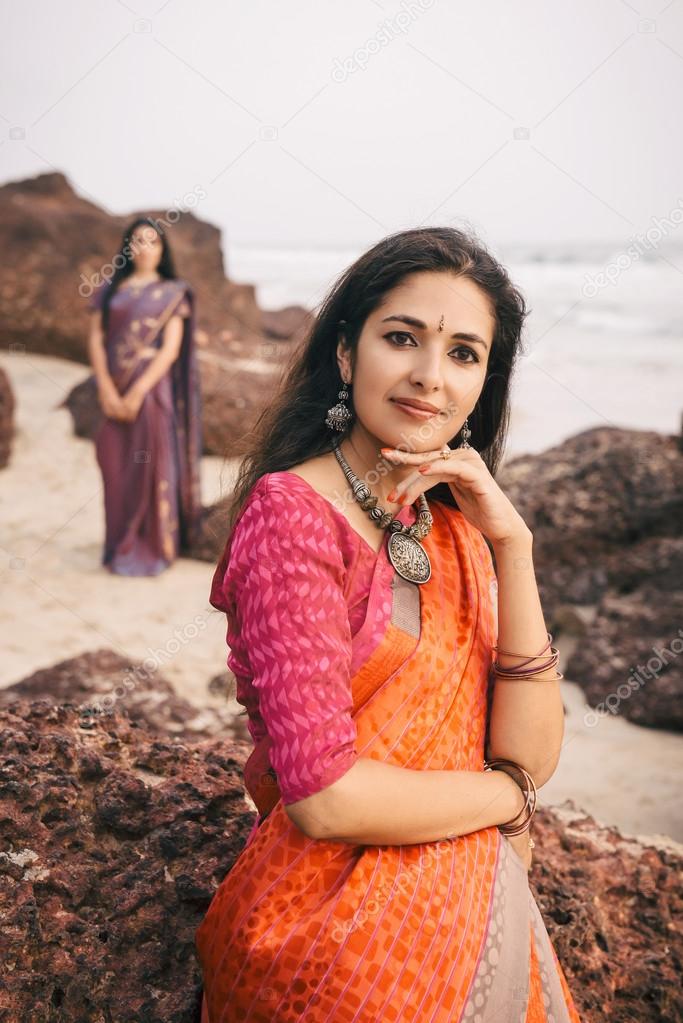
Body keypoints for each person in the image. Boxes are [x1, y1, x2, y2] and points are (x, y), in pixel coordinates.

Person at [195, 227, 582, 1021]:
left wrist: (513, 546)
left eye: (464, 353)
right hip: (321, 927)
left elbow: (528, 755)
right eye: (401, 338)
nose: (428, 378)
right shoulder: (292, 518)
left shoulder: (455, 529)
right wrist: (502, 803)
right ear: (345, 353)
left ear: (484, 382)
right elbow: (326, 799)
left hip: (463, 894)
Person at [86, 217, 202, 576]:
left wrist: (136, 392)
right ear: (127, 247)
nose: (144, 248)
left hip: (151, 391)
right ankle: (117, 542)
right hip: (111, 386)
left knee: (150, 466)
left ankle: (153, 545)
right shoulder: (111, 288)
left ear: (163, 249)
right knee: (114, 465)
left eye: (152, 241)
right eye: (138, 241)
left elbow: (169, 351)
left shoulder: (171, 293)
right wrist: (106, 388)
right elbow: (94, 338)